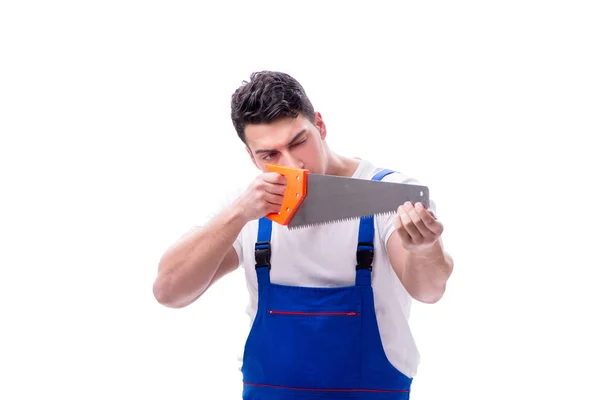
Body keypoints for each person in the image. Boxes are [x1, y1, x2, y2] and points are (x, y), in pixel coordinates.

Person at [153, 71, 454, 399]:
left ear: (320, 126)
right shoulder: (244, 205)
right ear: (252, 158)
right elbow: (169, 292)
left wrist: (425, 248)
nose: (294, 164)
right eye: (270, 155)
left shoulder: (391, 193)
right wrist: (238, 214)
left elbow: (428, 290)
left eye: (299, 142)